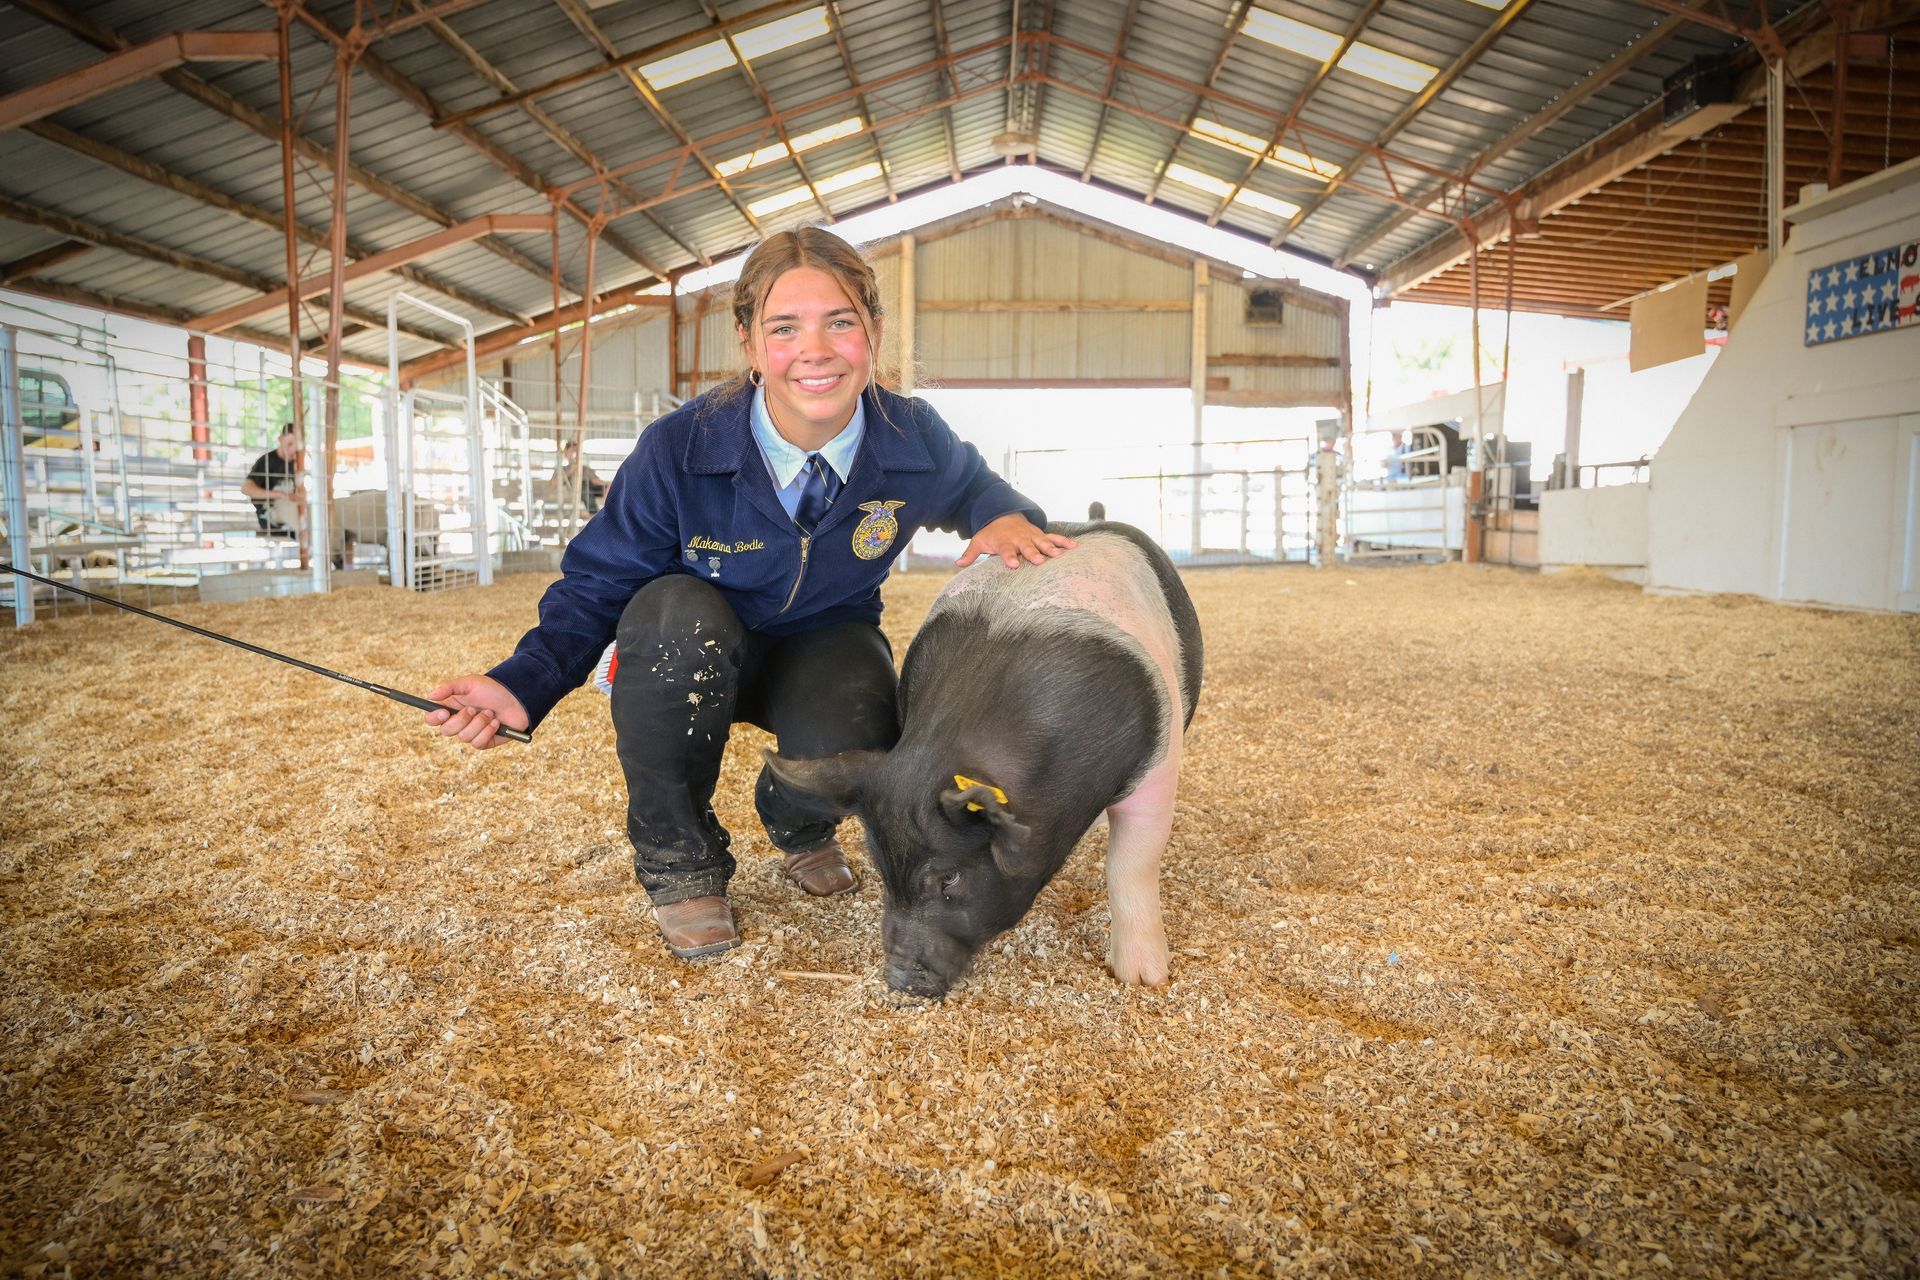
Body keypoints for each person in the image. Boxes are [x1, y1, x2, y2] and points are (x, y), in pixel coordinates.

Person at [423, 227, 1076, 960]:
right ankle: (682, 862)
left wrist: (1005, 517)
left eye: (840, 322)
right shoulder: (681, 446)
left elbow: (979, 490)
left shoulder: (910, 436)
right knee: (672, 613)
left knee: (863, 733)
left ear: (874, 331)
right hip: (691, 649)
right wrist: (525, 682)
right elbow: (599, 581)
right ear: (748, 341)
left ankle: (797, 818)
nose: (816, 349)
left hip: (824, 639)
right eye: (785, 327)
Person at [241, 424, 306, 537]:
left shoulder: (297, 464)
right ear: (280, 439)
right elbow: (246, 489)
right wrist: (280, 495)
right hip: (270, 513)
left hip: (291, 507)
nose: (292, 450)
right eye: (289, 444)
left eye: (296, 446)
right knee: (296, 514)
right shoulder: (267, 461)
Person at [556, 439, 608, 514]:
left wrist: (593, 480)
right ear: (566, 454)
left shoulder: (585, 468)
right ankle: (595, 513)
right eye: (572, 452)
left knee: (594, 486)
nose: (574, 455)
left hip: (592, 489)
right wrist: (570, 472)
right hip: (577, 491)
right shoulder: (562, 470)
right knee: (584, 488)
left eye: (576, 452)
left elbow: (597, 481)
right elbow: (554, 483)